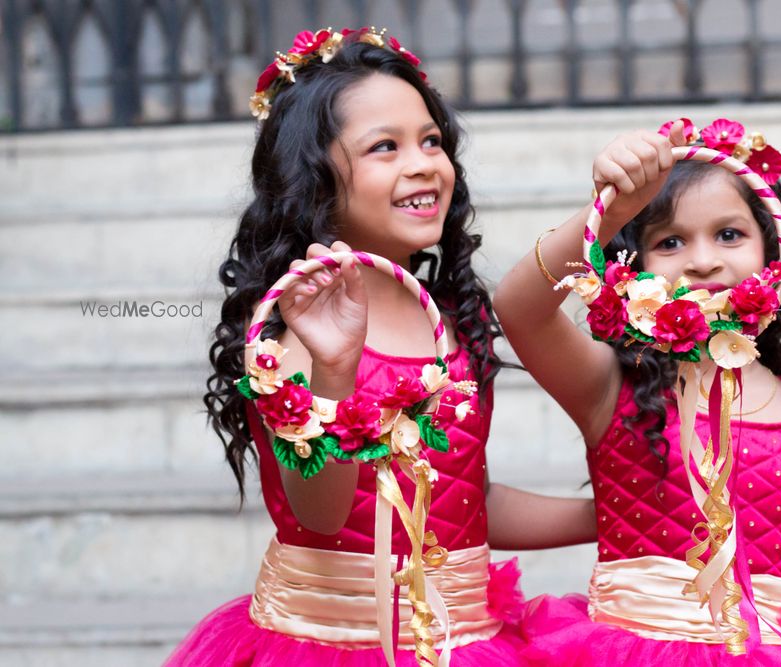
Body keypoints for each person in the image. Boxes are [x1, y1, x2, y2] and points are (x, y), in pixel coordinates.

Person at [166, 26, 594, 667]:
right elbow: (322, 514)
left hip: (467, 640)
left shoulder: (449, 317)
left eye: (431, 141)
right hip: (337, 646)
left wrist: (608, 514)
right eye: (384, 148)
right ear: (312, 180)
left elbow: (464, 496)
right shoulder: (292, 334)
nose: (422, 162)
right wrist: (337, 373)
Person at [494, 119, 781, 665]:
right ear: (633, 267)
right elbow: (520, 308)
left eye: (729, 234)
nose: (704, 260)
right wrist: (610, 210)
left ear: (774, 249)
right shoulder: (609, 388)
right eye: (670, 241)